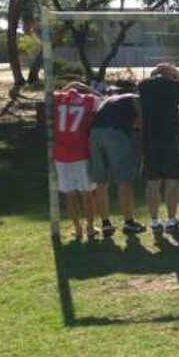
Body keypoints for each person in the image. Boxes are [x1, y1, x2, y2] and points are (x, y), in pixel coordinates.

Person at [89, 89, 145, 235]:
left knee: (101, 182)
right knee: (124, 181)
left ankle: (106, 224)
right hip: (115, 134)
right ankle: (129, 222)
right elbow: (141, 122)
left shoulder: (111, 101)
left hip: (94, 134)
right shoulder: (137, 99)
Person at [138, 63, 179, 233]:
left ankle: (154, 221)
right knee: (172, 182)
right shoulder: (177, 87)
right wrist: (176, 77)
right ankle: (171, 220)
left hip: (150, 140)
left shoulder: (143, 86)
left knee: (153, 184)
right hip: (170, 139)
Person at [53, 81, 99, 239]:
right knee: (87, 194)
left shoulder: (57, 99)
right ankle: (90, 228)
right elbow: (100, 98)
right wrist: (87, 89)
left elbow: (54, 93)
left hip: (61, 154)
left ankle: (78, 228)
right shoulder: (90, 100)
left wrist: (67, 88)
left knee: (70, 195)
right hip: (81, 153)